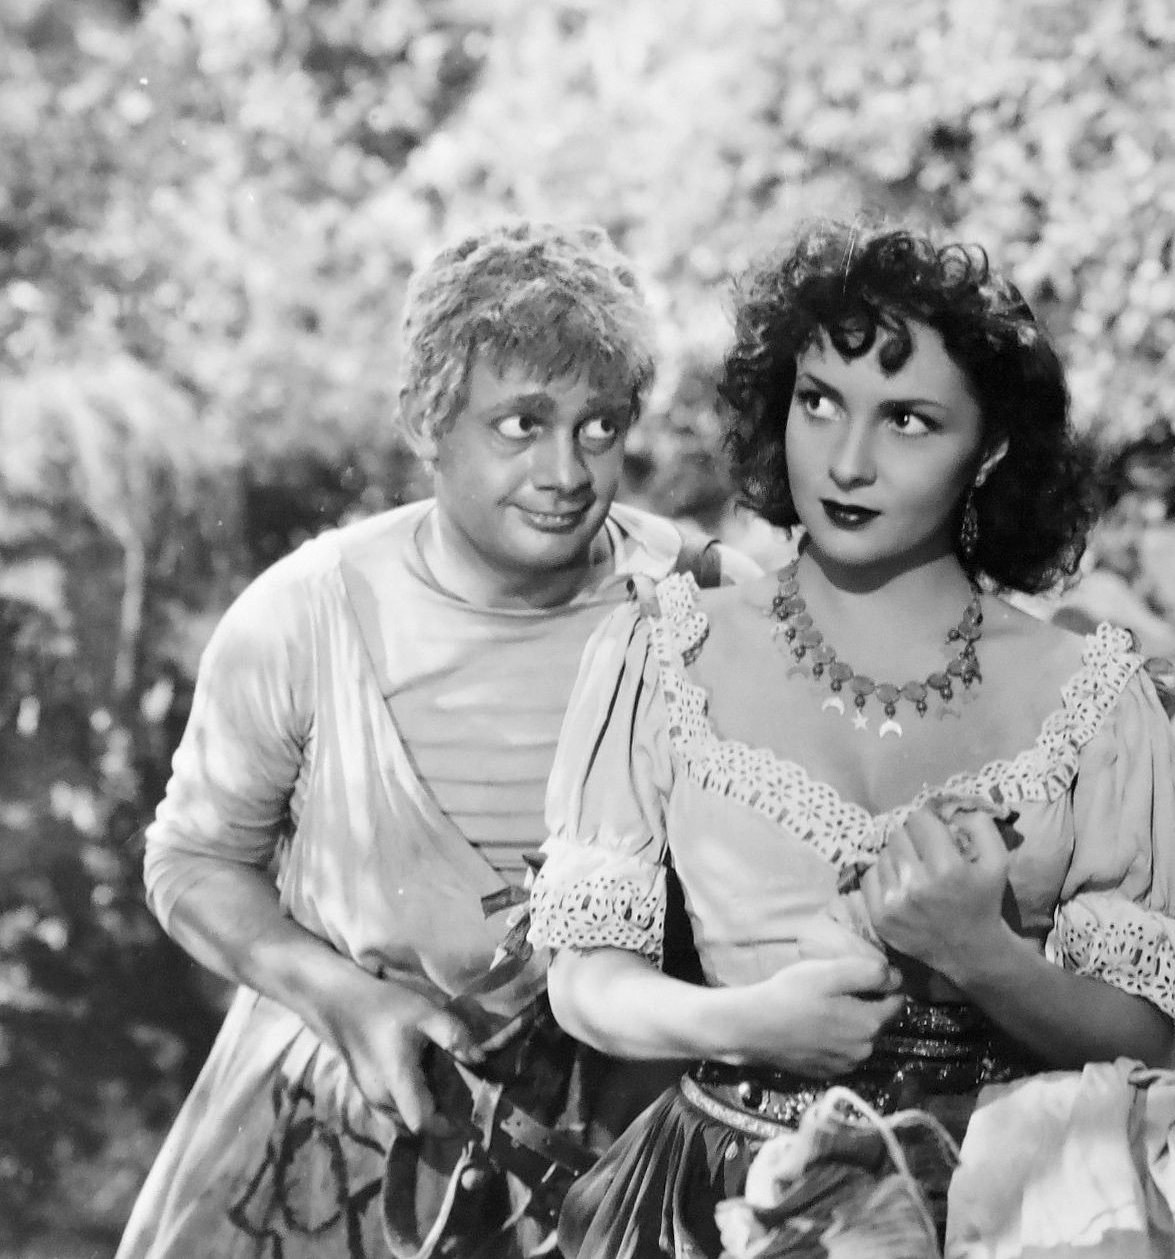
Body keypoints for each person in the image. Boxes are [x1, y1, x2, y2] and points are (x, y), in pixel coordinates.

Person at [523, 221, 1175, 1258]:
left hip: (1005, 1212)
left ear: (988, 449)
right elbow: (584, 982)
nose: (847, 461)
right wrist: (749, 1022)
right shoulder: (662, 653)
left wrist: (979, 952)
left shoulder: (1093, 696)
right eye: (819, 402)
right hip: (718, 1211)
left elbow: (1146, 1030)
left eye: (907, 420)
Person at [118, 220, 755, 1259]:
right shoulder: (305, 616)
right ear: (428, 419)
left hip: (630, 1164)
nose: (565, 470)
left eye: (598, 427)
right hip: (341, 1149)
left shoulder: (708, 600)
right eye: (521, 424)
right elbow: (190, 859)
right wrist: (341, 998)